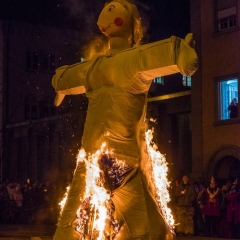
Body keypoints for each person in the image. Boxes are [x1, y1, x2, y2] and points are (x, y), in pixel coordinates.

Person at [51, 1, 198, 239]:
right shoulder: (104, 65)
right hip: (109, 162)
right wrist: (180, 55)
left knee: (73, 224)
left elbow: (164, 55)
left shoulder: (122, 62)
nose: (109, 8)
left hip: (103, 161)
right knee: (141, 231)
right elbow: (66, 77)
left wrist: (181, 56)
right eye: (109, 6)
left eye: (115, 8)